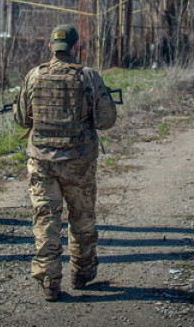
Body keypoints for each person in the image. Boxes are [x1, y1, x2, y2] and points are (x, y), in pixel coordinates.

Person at [13, 24, 117, 301]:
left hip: (41, 162)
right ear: (75, 47)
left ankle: (49, 281)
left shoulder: (34, 75)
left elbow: (22, 119)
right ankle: (81, 273)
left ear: (50, 47)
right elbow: (106, 121)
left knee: (46, 220)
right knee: (81, 218)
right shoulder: (88, 76)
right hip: (78, 161)